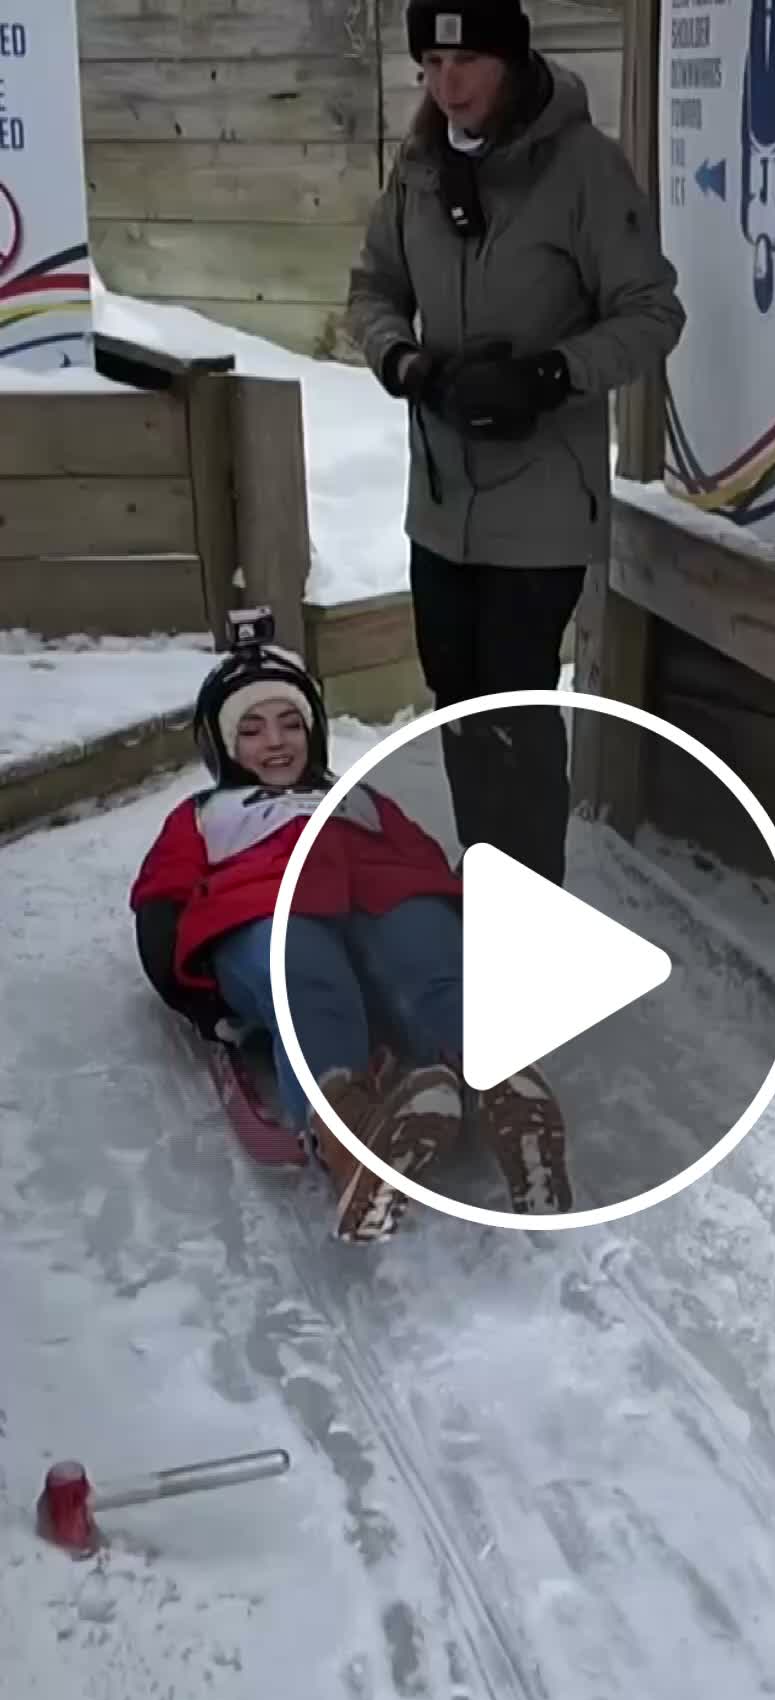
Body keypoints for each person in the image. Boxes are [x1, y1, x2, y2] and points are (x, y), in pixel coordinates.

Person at [346, 0, 685, 885]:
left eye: (465, 62)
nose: (444, 83)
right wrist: (409, 363)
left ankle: (532, 905)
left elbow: (652, 313)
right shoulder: (418, 168)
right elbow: (373, 290)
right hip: (442, 498)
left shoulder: (583, 170)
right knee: (456, 699)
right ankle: (484, 878)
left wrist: (549, 376)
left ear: (510, 60)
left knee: (515, 705)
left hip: (540, 499)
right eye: (430, 63)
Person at [129, 627, 572, 1240]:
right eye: (251, 730)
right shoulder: (205, 816)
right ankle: (351, 1139)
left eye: (290, 722)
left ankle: (507, 1099)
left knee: (426, 952)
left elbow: (416, 854)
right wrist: (192, 990)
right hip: (267, 913)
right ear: (222, 746)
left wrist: (456, 914)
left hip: (378, 902)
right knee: (305, 970)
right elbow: (161, 894)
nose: (276, 742)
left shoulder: (356, 796)